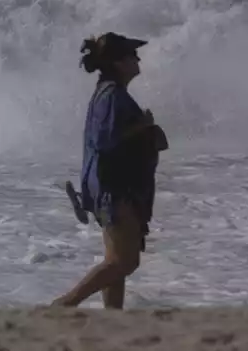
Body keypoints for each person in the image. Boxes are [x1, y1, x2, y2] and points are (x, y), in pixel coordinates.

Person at [52, 32, 168, 309]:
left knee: (116, 260)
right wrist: (143, 126)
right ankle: (65, 305)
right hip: (114, 188)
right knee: (125, 261)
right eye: (131, 55)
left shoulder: (110, 93)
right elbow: (106, 141)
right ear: (118, 63)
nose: (137, 59)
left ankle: (112, 318)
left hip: (110, 186)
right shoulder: (112, 96)